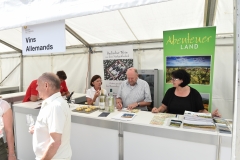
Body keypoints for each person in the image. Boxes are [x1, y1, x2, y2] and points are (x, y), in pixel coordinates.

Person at [29, 73, 72, 160]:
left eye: (38, 85)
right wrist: (38, 128)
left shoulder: (55, 106)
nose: (36, 88)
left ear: (46, 85)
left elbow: (55, 142)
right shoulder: (53, 103)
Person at [152, 69, 221, 117]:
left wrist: (211, 115)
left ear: (182, 80)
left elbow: (201, 111)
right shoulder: (170, 91)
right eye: (172, 78)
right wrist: (158, 110)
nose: (172, 81)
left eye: (174, 79)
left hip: (188, 125)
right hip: (171, 124)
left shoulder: (194, 94)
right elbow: (164, 106)